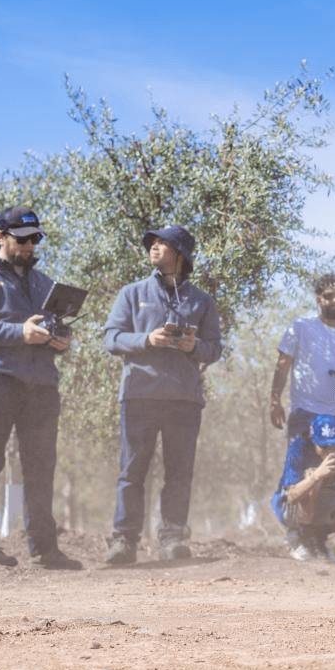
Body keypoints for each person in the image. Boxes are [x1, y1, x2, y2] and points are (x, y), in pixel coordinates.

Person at [0, 205, 82, 569]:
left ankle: (45, 550)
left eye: (35, 239)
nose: (29, 247)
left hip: (42, 384)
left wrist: (61, 339)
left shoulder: (44, 283)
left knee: (41, 466)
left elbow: (55, 325)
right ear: (0, 237)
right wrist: (18, 332)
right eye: (22, 240)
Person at [102, 225, 222, 565]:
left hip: (184, 400)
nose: (153, 249)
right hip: (139, 395)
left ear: (180, 254)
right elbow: (110, 338)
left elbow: (214, 349)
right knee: (132, 471)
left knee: (179, 472)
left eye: (162, 244)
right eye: (151, 244)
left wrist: (194, 346)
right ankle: (124, 542)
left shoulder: (202, 300)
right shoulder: (131, 293)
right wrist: (145, 340)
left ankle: (172, 539)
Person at [269, 273, 335, 447]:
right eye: (328, 296)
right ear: (319, 299)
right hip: (303, 415)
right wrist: (275, 401)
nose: (334, 300)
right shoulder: (300, 328)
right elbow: (282, 365)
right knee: (302, 472)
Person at [271, 413, 335, 561]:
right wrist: (317, 475)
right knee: (311, 479)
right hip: (289, 506)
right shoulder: (298, 448)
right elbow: (291, 496)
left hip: (325, 501)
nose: (330, 450)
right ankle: (299, 537)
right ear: (313, 442)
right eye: (325, 446)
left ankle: (318, 538)